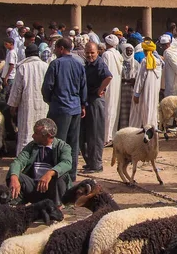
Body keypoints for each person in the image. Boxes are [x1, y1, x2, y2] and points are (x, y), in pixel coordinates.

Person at [41, 38, 86, 181]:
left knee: (58, 143)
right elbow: (83, 87)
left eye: (55, 48)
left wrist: (50, 100)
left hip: (60, 108)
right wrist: (83, 104)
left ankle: (58, 175)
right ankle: (71, 175)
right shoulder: (79, 64)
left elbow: (47, 87)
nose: (54, 50)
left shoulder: (56, 64)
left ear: (61, 48)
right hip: (75, 108)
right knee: (73, 144)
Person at [7, 118, 72, 206]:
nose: (33, 136)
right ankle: (16, 202)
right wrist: (14, 177)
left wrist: (50, 173)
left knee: (61, 176)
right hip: (34, 187)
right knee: (13, 174)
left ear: (47, 136)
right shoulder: (32, 146)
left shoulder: (62, 146)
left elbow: (67, 163)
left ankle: (56, 207)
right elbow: (18, 162)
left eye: (36, 133)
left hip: (51, 190)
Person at [8, 44, 49, 154]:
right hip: (44, 105)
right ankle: (42, 158)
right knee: (43, 131)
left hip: (27, 106)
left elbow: (17, 89)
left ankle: (24, 161)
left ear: (26, 54)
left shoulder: (23, 67)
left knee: (26, 133)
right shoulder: (46, 66)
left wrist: (13, 106)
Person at [80, 42, 112, 173]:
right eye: (87, 53)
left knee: (95, 134)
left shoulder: (99, 63)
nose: (90, 55)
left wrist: (100, 89)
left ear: (97, 52)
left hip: (96, 101)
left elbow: (108, 76)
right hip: (87, 101)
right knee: (85, 134)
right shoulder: (87, 64)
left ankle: (97, 164)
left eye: (92, 52)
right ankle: (90, 162)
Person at [129, 38, 163, 128]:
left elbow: (140, 79)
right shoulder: (158, 61)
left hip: (146, 91)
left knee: (146, 111)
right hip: (155, 91)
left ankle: (146, 133)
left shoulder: (145, 61)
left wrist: (136, 94)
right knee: (152, 111)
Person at [102, 34, 123, 147]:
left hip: (109, 85)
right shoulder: (118, 54)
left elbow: (104, 71)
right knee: (114, 109)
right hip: (116, 85)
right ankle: (112, 135)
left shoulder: (106, 54)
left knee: (108, 109)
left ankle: (107, 137)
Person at [118, 44, 139, 129]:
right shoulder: (119, 61)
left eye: (131, 51)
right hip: (121, 89)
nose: (129, 52)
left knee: (132, 109)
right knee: (123, 110)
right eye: (127, 50)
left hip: (131, 88)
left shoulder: (136, 63)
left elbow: (139, 76)